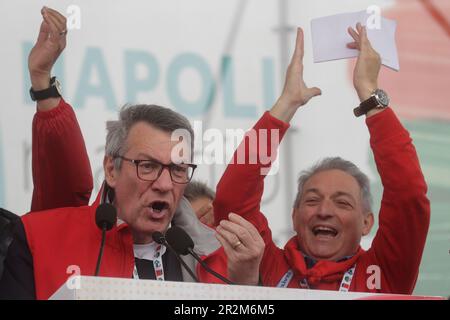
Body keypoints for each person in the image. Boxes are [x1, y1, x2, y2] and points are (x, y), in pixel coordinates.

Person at [0, 7, 264, 300]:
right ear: (111, 170)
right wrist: (42, 82)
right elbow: (63, 169)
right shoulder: (39, 238)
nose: (165, 184)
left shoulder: (215, 257)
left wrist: (244, 288)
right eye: (148, 166)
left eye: (178, 169)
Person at [213, 24, 430, 293]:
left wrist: (369, 92)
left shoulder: (384, 272)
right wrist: (286, 106)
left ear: (366, 223)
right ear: (294, 217)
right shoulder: (266, 265)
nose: (324, 211)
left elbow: (408, 194)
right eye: (312, 200)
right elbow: (231, 202)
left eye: (342, 203)